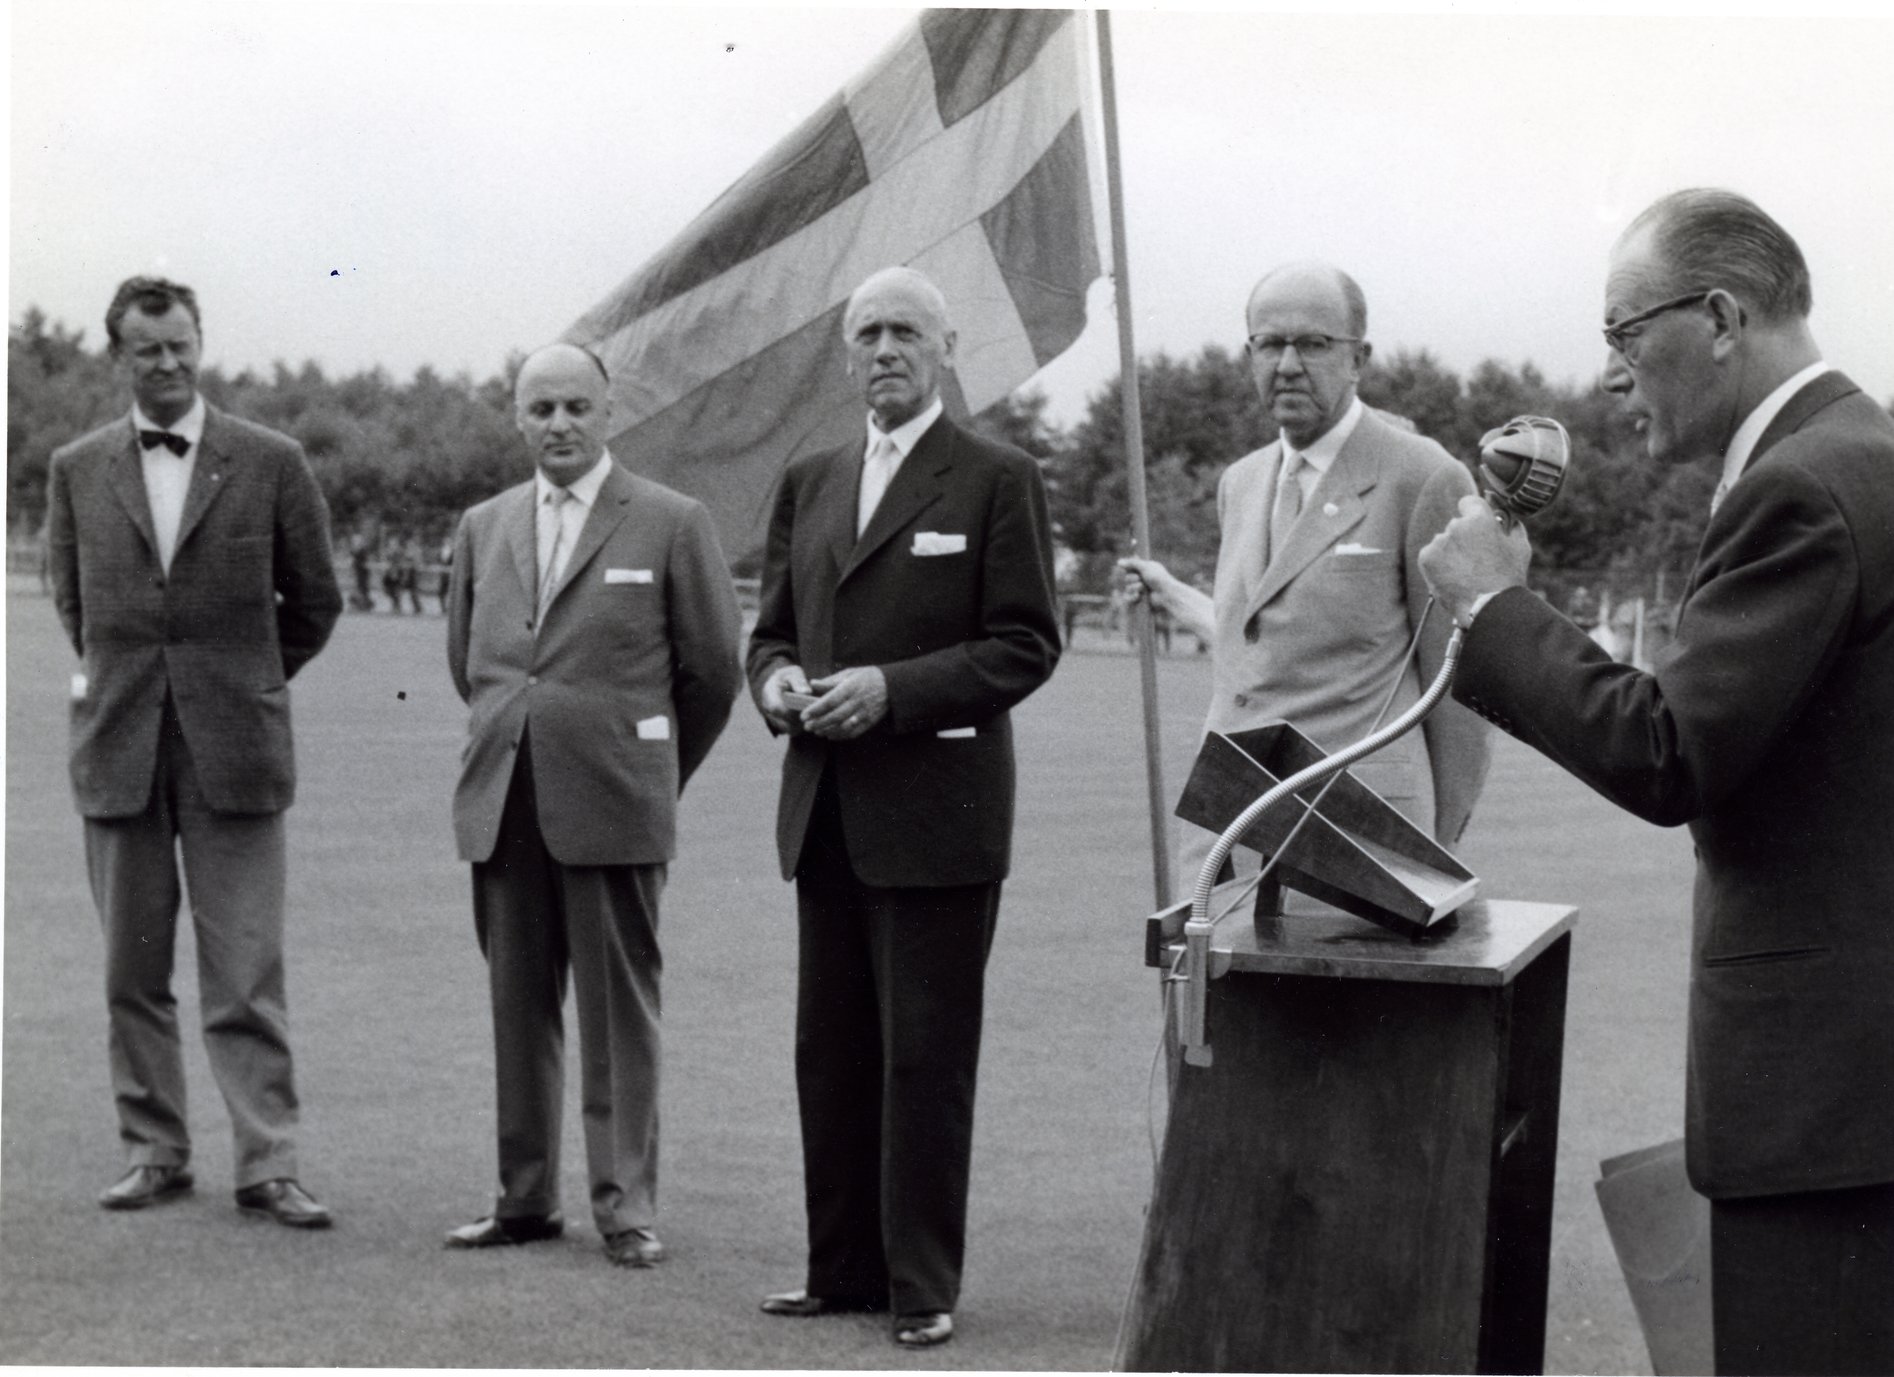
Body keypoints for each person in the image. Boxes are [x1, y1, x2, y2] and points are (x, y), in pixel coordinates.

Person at [1420, 189, 1894, 1376]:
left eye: (1625, 338)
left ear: (1722, 316)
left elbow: (1669, 748)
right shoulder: (1858, 455)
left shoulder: (1805, 486)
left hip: (1829, 1106)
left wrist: (1492, 606)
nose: (1613, 381)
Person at [745, 267, 1061, 1348]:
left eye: (906, 332)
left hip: (938, 814)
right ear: (845, 355)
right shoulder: (812, 477)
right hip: (825, 809)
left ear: (945, 348)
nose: (885, 349)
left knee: (925, 1057)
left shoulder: (994, 476)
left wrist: (892, 692)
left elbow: (1026, 643)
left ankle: (921, 1286)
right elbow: (771, 631)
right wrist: (777, 685)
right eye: (868, 333)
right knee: (829, 1052)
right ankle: (839, 1272)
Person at [44, 276, 343, 1226]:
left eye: (181, 346)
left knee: (245, 970)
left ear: (201, 343)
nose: (167, 364)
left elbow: (317, 602)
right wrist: (143, 682)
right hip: (120, 749)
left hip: (236, 752)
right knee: (132, 972)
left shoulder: (272, 459)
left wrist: (246, 679)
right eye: (147, 350)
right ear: (118, 356)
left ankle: (269, 1162)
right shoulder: (76, 467)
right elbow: (75, 607)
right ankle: (154, 1150)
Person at [443, 342, 741, 1268]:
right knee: (516, 1008)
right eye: (542, 409)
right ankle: (524, 1198)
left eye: (577, 407)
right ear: (519, 418)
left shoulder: (670, 521)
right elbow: (469, 664)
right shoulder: (483, 526)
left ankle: (625, 1208)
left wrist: (644, 767)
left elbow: (713, 672)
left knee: (619, 1014)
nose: (560, 425)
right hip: (506, 802)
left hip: (614, 804)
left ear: (610, 413)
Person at [1120, 262, 1489, 881]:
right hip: (1226, 832)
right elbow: (1265, 643)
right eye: (1269, 344)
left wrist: (1438, 846)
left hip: (1361, 838)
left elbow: (1454, 688)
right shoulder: (1239, 483)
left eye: (1313, 343)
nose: (1287, 364)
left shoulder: (1422, 475)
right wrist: (1174, 595)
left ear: (1358, 358)